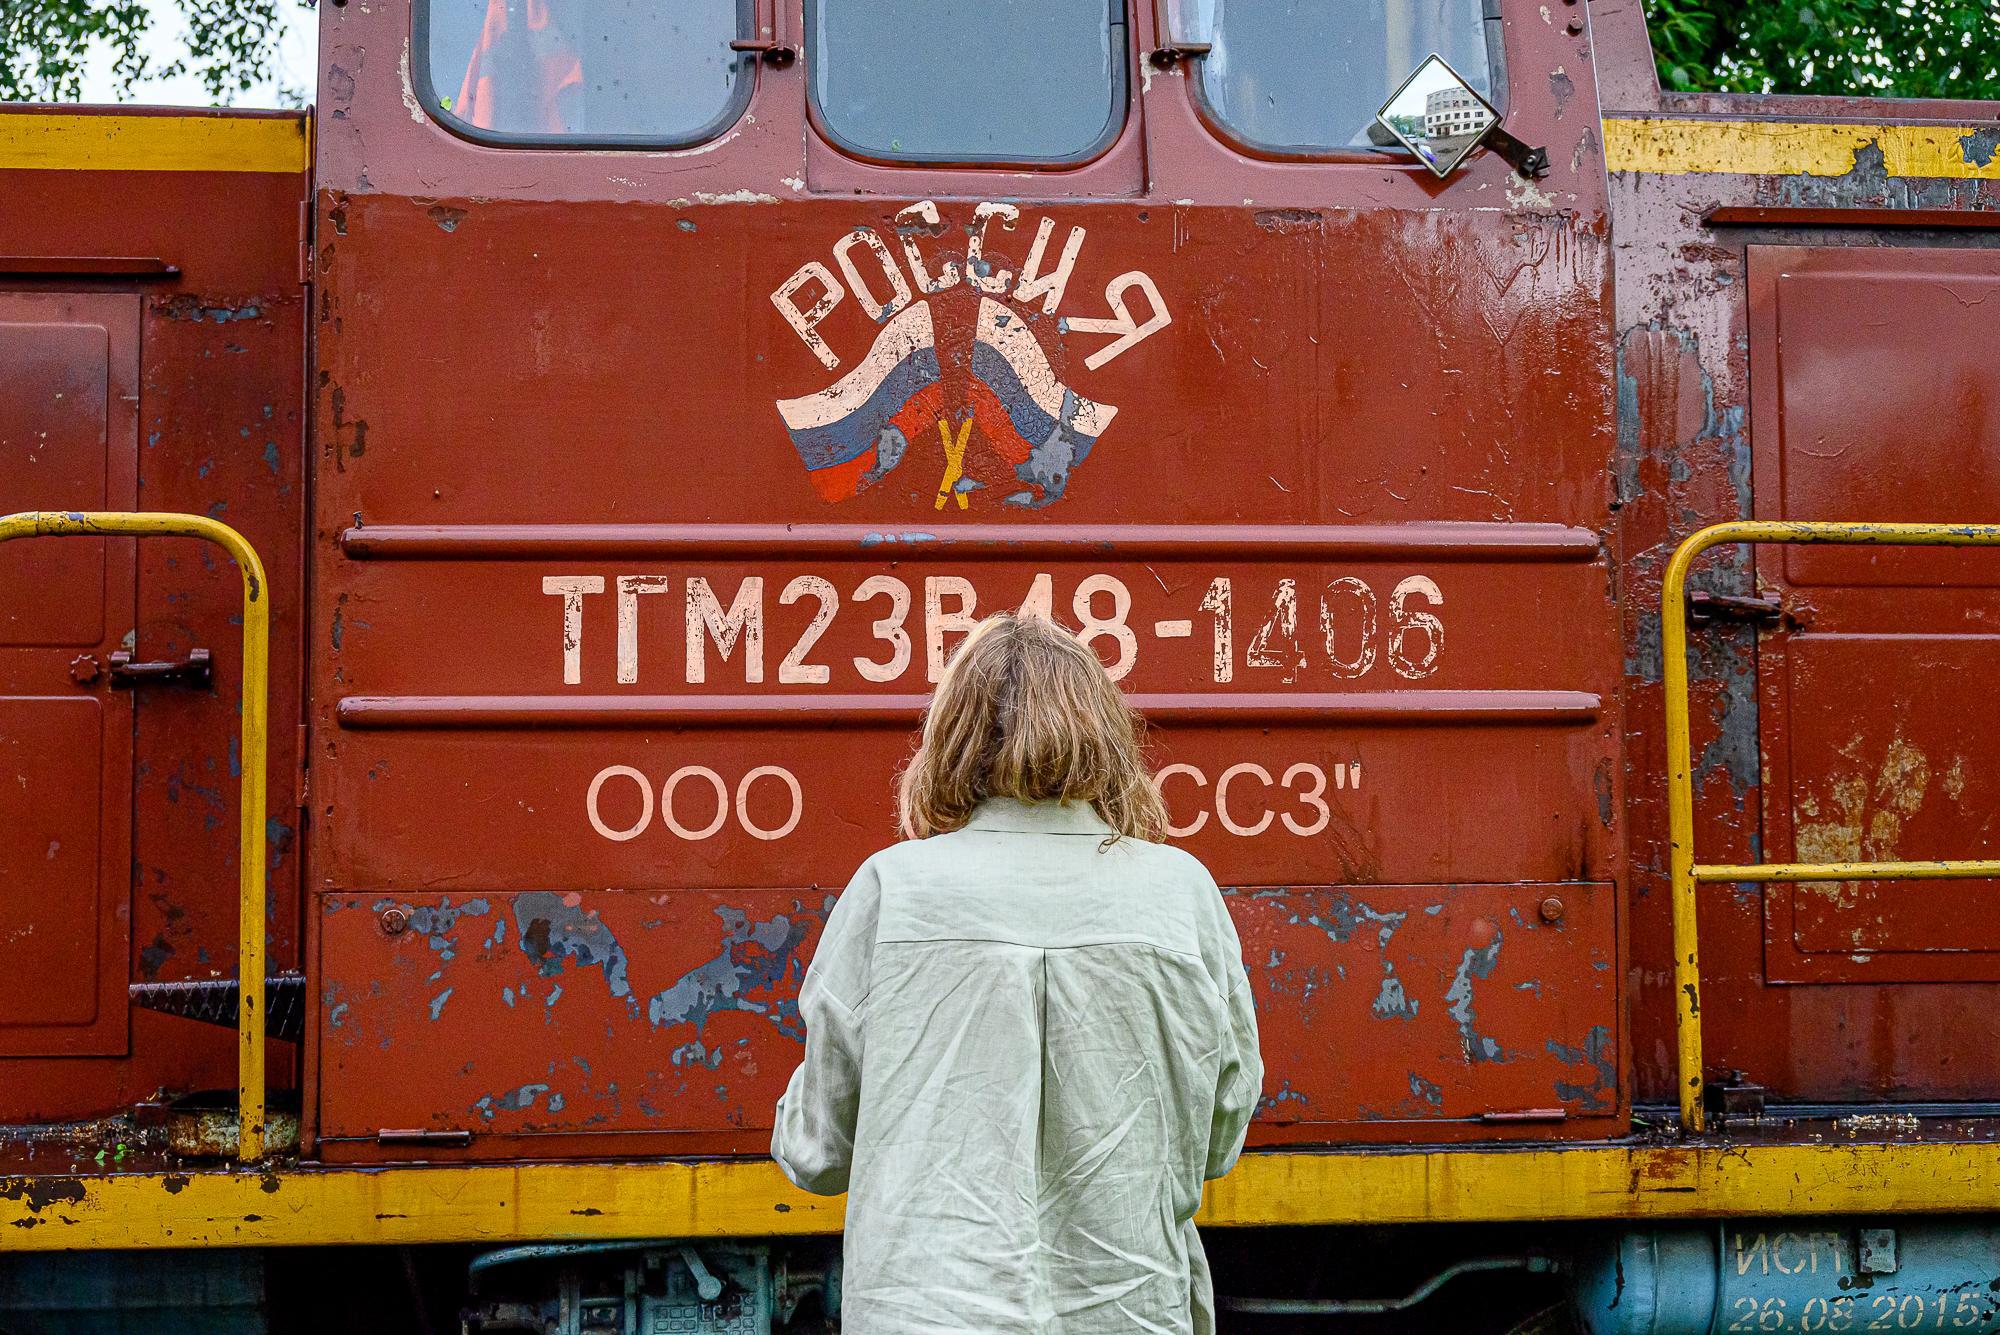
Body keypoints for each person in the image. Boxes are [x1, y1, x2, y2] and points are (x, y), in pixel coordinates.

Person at [772, 611, 1263, 1334]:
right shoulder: (1181, 893)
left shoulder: (892, 890)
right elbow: (1220, 1139)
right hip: (1128, 1312)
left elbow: (817, 1153)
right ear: (1105, 733)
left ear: (953, 738)